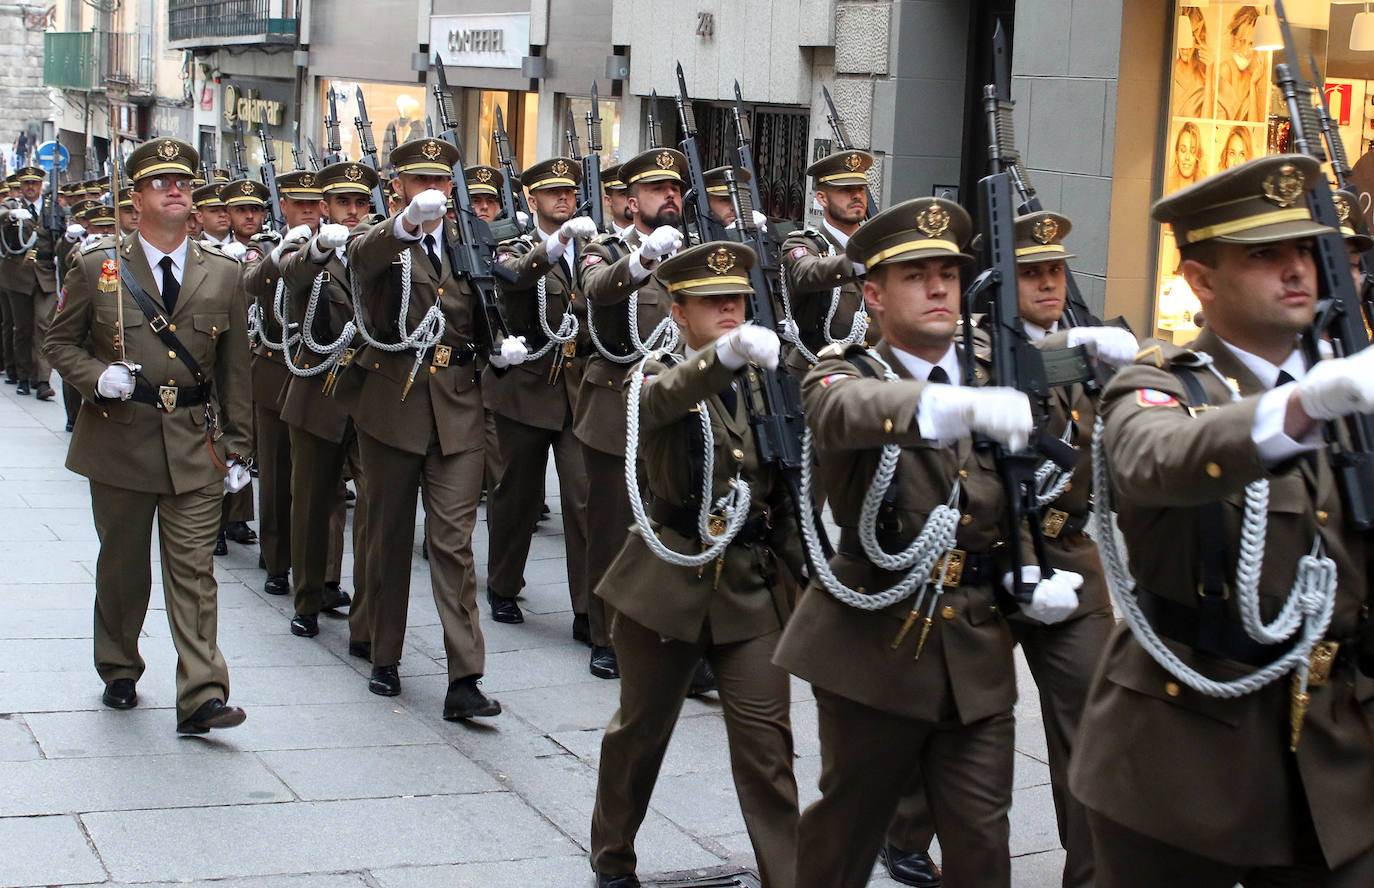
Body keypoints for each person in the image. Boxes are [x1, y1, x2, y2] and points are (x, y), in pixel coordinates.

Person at [1069, 153, 1374, 886]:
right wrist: (1304, 405)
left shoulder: (1355, 385)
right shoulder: (1156, 384)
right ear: (1202, 280)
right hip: (1182, 755)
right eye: (1265, 255)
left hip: (1338, 752)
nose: (1296, 270)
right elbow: (1156, 458)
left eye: (1305, 248)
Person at [775, 197, 1083, 888]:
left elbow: (1010, 493)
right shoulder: (845, 370)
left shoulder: (988, 371)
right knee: (846, 833)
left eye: (948, 271)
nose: (940, 286)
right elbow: (837, 412)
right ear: (874, 294)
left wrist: (1031, 571)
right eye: (916, 275)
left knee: (981, 843)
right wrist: (943, 407)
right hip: (873, 646)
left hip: (973, 647)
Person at [590, 241, 805, 888]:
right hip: (669, 579)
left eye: (736, 301)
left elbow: (787, 488)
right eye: (713, 304)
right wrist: (727, 356)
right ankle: (613, 856)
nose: (729, 313)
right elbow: (663, 402)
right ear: (678, 312)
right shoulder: (653, 374)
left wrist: (806, 578)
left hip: (750, 586)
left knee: (769, 750)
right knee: (639, 734)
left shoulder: (768, 379)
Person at [42, 138, 252, 734]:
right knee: (124, 569)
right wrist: (93, 377)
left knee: (194, 572)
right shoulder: (97, 266)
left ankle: (203, 694)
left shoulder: (224, 273)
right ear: (135, 198)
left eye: (183, 180)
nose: (176, 189)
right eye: (161, 181)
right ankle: (118, 667)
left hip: (193, 443)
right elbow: (58, 343)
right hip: (119, 440)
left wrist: (239, 447)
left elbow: (237, 370)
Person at [347, 137, 527, 719]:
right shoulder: (381, 239)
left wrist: (497, 347)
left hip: (458, 406)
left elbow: (485, 305)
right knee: (389, 536)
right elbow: (363, 260)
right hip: (394, 406)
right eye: (419, 182)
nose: (434, 191)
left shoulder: (467, 242)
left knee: (454, 544)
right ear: (396, 186)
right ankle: (384, 652)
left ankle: (464, 678)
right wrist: (403, 223)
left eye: (442, 183)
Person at [577, 147, 690, 680]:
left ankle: (673, 635)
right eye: (656, 190)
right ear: (630, 200)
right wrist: (644, 260)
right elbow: (597, 291)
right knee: (613, 527)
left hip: (679, 408)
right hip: (615, 404)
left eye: (676, 190)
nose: (670, 197)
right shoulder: (604, 248)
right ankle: (607, 634)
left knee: (674, 524)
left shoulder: (697, 254)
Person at [484, 157, 597, 640]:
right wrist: (553, 247)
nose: (563, 199)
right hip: (527, 390)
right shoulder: (514, 244)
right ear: (532, 200)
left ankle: (588, 610)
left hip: (578, 393)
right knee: (517, 496)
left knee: (583, 498)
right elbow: (512, 278)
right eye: (552, 193)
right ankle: (503, 585)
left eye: (569, 191)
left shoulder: (595, 249)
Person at [277, 163, 376, 640]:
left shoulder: (387, 251)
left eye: (360, 203)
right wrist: (319, 248)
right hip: (320, 391)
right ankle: (309, 597)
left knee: (377, 510)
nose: (353, 212)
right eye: (342, 203)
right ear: (324, 208)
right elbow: (289, 277)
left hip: (376, 394)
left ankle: (368, 616)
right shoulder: (306, 249)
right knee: (314, 504)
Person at [234, 178, 298, 596]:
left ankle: (323, 575)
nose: (309, 211)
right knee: (275, 474)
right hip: (275, 367)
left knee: (323, 488)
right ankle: (276, 558)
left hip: (330, 372)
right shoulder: (267, 247)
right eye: (300, 203)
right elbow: (252, 280)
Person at [779, 150, 874, 378]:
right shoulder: (802, 243)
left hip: (872, 372)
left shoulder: (878, 245)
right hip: (818, 372)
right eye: (845, 190)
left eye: (860, 189)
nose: (857, 196)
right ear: (822, 198)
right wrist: (861, 260)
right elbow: (807, 272)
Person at [0, 166, 60, 399]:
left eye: (34, 183)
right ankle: (24, 376)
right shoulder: (12, 206)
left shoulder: (52, 208)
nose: (30, 188)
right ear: (21, 187)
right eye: (26, 184)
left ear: (41, 186)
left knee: (43, 327)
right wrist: (11, 216)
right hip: (19, 276)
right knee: (22, 328)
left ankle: (42, 380)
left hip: (45, 275)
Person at [1216, 5, 1267, 123]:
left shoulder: (1251, 78)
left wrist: (1253, 85)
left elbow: (1254, 126)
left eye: (1251, 44)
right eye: (1241, 41)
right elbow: (1222, 124)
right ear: (1233, 38)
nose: (1246, 51)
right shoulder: (1224, 70)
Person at [1172, 6, 1213, 118]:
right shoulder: (1169, 73)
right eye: (1181, 35)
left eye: (1190, 35)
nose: (1185, 46)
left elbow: (1207, 121)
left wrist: (1210, 72)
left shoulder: (1204, 79)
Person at [1165, 122, 1205, 194]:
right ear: (1177, 155)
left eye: (1192, 151)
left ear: (1198, 156)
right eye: (1183, 150)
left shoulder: (1205, 196)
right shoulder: (1166, 194)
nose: (1187, 157)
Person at [601, 164, 633, 237]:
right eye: (624, 194)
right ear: (608, 200)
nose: (631, 198)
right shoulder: (603, 238)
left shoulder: (654, 237)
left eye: (634, 192)